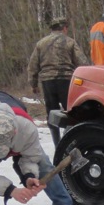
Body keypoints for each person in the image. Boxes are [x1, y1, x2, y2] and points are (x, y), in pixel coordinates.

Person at [27, 16, 89, 148]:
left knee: (51, 113)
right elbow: (82, 62)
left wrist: (33, 84)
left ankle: (57, 144)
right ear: (64, 28)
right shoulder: (70, 42)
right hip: (66, 80)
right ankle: (70, 143)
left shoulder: (41, 43)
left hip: (47, 82)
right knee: (70, 112)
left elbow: (33, 66)